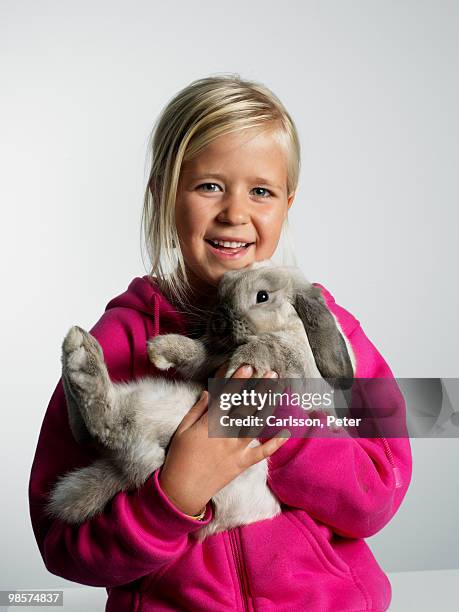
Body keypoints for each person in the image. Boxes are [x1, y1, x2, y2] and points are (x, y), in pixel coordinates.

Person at [28, 74, 412, 611]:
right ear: (164, 194)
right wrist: (175, 493)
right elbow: (61, 541)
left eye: (261, 191)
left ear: (287, 203)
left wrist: (282, 426)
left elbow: (380, 486)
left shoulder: (328, 328)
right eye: (209, 185)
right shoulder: (117, 343)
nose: (235, 213)